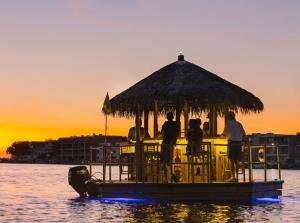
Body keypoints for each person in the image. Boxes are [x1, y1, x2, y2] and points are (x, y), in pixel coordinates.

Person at [222, 111, 246, 182]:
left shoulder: (228, 124)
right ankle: (237, 176)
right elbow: (244, 134)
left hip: (232, 143)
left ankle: (233, 176)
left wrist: (222, 136)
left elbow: (224, 134)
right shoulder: (239, 124)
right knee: (236, 160)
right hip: (239, 143)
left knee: (232, 160)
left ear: (229, 117)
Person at [160, 112, 180, 182]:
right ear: (173, 117)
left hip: (165, 143)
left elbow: (162, 133)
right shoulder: (176, 124)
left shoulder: (166, 124)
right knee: (170, 162)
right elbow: (177, 134)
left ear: (167, 117)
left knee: (164, 162)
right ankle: (172, 176)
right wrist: (173, 141)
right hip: (171, 144)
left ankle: (166, 178)